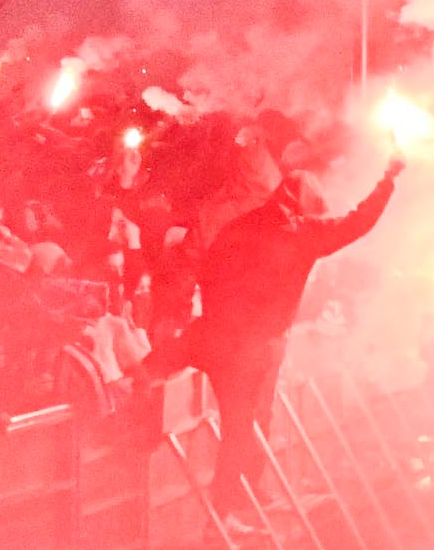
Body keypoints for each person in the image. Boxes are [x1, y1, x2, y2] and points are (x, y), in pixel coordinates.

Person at [167, 153, 399, 493]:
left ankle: (240, 491)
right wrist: (388, 180)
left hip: (225, 336)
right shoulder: (303, 234)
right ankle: (234, 496)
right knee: (250, 420)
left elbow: (210, 271)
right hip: (259, 345)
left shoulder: (242, 225)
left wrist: (218, 316)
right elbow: (358, 222)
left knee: (241, 420)